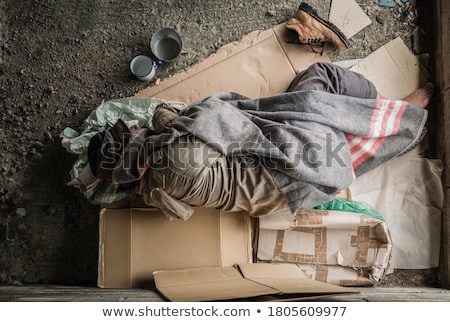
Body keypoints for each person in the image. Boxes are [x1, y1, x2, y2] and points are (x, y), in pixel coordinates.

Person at [68, 62, 433, 221]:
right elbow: (222, 115)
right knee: (318, 83)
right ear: (133, 143)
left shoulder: (150, 187)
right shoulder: (174, 157)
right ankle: (395, 113)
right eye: (129, 131)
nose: (134, 126)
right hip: (292, 168)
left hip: (286, 197)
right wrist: (168, 118)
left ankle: (365, 126)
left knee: (328, 135)